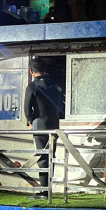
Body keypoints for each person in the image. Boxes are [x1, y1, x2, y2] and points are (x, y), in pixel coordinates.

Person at [24, 58, 65, 189]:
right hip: (54, 124)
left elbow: (27, 109)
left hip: (39, 124)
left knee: (42, 157)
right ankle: (49, 188)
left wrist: (30, 121)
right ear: (44, 69)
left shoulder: (32, 87)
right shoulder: (56, 84)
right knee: (51, 155)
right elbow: (61, 104)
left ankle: (44, 189)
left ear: (31, 71)